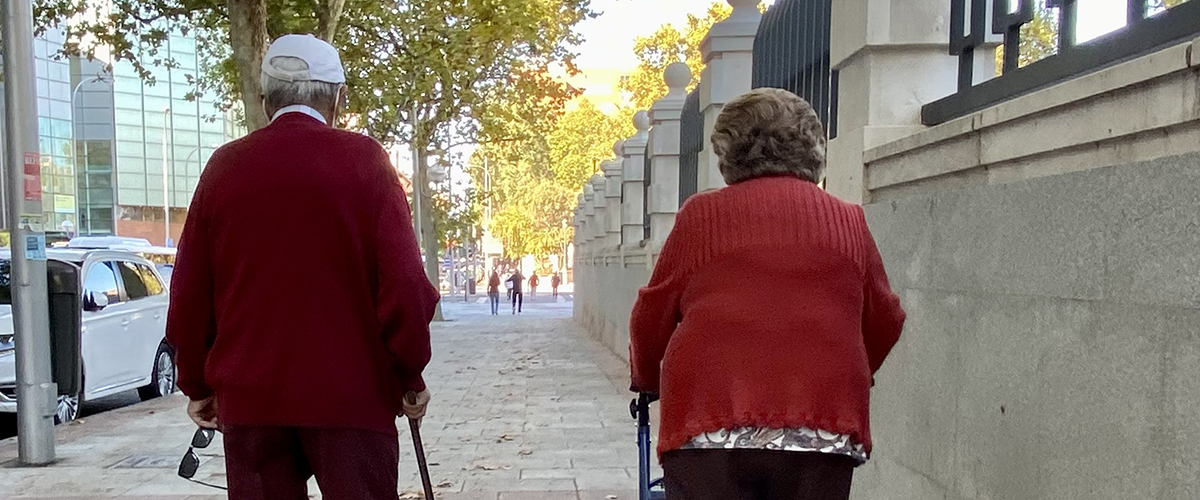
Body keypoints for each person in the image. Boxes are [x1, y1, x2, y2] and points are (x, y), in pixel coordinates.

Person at [167, 34, 439, 500]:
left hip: (253, 401)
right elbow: (406, 285)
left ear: (262, 99)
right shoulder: (366, 162)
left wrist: (197, 382)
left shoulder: (224, 168)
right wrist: (409, 375)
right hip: (352, 398)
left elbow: (189, 291)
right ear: (339, 97)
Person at [628, 88, 906, 500]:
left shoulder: (701, 217)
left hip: (710, 423)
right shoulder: (848, 221)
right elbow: (886, 318)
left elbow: (651, 315)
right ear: (813, 149)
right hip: (821, 427)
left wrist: (647, 378)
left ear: (728, 151)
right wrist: (855, 370)